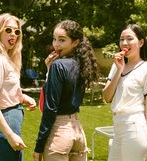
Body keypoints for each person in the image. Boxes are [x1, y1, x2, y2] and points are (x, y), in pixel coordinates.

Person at [33, 20, 98, 161]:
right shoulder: (81, 64)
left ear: (75, 42)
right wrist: (49, 70)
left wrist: (39, 146)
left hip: (59, 132)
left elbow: (50, 108)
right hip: (78, 132)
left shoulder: (59, 66)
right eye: (54, 39)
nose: (56, 44)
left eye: (62, 40)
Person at [0, 13, 36, 161]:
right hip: (4, 130)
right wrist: (10, 135)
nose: (14, 34)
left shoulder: (5, 59)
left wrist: (22, 97)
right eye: (8, 30)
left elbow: (5, 90)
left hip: (4, 128)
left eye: (17, 31)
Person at [103, 24, 147, 161]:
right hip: (117, 127)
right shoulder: (116, 65)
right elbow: (107, 97)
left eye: (129, 39)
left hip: (134, 128)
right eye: (121, 39)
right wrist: (119, 69)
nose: (124, 43)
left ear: (140, 42)